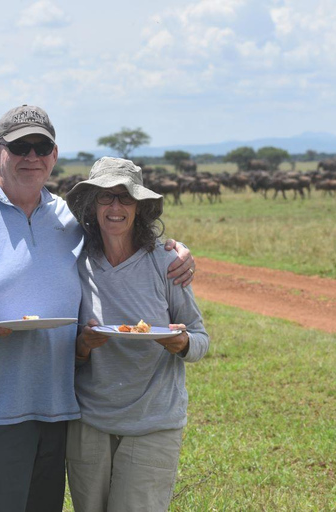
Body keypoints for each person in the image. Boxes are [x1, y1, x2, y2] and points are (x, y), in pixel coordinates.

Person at [0, 105, 196, 512]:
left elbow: (122, 233)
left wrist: (176, 252)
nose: (32, 157)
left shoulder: (67, 218)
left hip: (57, 408)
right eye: (20, 147)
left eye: (42, 146)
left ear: (54, 155)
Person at [64, 157, 209, 512]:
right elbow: (63, 348)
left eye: (125, 198)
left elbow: (200, 339)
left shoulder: (166, 262)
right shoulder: (74, 264)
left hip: (153, 421)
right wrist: (82, 347)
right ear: (92, 205)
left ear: (139, 208)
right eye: (105, 198)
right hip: (89, 423)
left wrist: (181, 342)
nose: (115, 207)